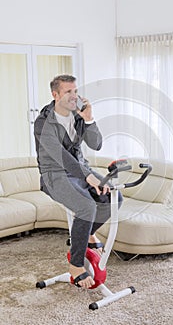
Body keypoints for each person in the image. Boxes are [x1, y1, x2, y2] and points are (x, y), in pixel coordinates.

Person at [34, 74, 122, 289]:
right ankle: (76, 265)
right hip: (54, 175)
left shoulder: (79, 115)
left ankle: (88, 232)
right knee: (86, 206)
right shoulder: (43, 122)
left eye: (75, 91)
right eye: (68, 92)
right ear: (55, 95)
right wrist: (87, 176)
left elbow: (97, 144)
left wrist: (90, 119)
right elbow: (61, 156)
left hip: (80, 170)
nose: (74, 96)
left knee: (114, 197)